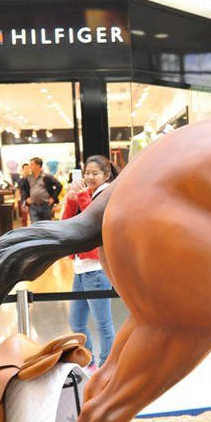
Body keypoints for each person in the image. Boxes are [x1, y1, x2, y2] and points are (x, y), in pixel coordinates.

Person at [62, 155, 117, 369]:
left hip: (96, 270)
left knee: (103, 323)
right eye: (87, 173)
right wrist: (71, 200)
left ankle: (106, 366)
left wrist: (83, 197)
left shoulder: (106, 194)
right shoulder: (89, 193)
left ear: (106, 175)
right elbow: (67, 224)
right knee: (76, 322)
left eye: (95, 173)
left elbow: (93, 225)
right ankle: (90, 361)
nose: (90, 177)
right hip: (80, 269)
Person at [25, 156, 62, 223]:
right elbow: (24, 189)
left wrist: (53, 198)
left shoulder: (47, 177)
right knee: (35, 226)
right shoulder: (29, 177)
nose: (30, 167)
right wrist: (26, 199)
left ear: (38, 166)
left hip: (45, 206)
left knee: (46, 225)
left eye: (32, 164)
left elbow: (59, 186)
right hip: (33, 206)